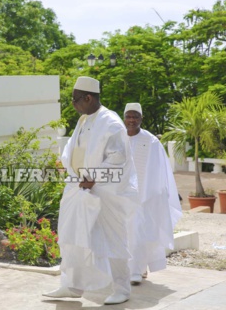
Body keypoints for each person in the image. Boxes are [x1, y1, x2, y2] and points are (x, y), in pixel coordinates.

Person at [43, 76, 139, 305]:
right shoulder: (84, 119)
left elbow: (119, 157)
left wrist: (92, 177)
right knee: (70, 235)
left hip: (106, 192)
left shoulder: (111, 122)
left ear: (88, 97)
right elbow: (73, 149)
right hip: (77, 186)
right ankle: (73, 285)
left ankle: (122, 288)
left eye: (75, 100)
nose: (73, 105)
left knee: (112, 238)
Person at [124, 103, 182, 285]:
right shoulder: (117, 138)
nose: (132, 120)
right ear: (124, 118)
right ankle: (133, 269)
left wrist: (152, 194)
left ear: (141, 118)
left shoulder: (151, 141)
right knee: (124, 233)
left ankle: (136, 270)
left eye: (135, 116)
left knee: (139, 231)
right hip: (120, 196)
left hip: (144, 196)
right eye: (129, 116)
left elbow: (159, 170)